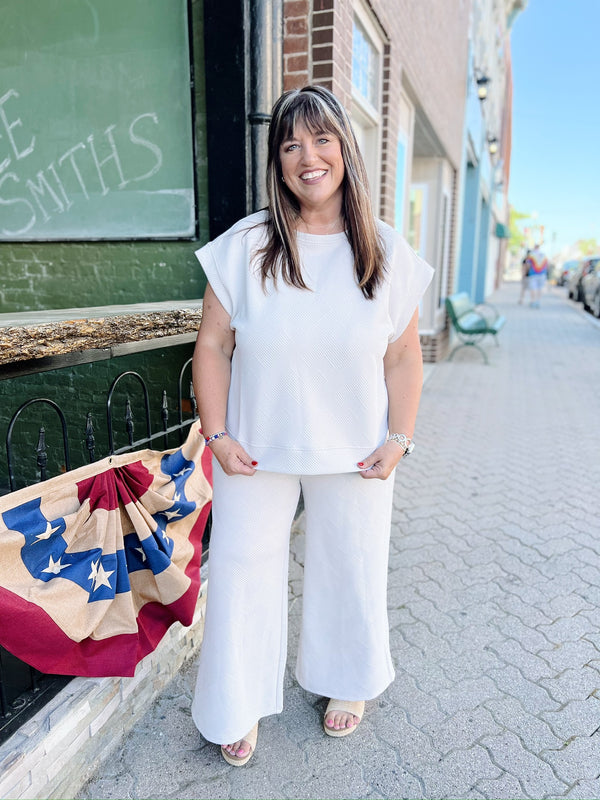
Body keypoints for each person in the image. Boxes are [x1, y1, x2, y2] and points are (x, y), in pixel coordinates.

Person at [190, 84, 433, 766]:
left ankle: (347, 681)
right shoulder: (246, 244)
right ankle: (236, 703)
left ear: (345, 150)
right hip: (253, 449)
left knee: (351, 568)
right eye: (290, 144)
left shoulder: (385, 250)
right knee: (239, 571)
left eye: (322, 138)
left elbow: (404, 356)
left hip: (357, 447)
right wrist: (216, 435)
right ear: (279, 161)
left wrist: (399, 437)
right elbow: (212, 346)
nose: (307, 156)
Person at [525, 244, 548, 308]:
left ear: (534, 247)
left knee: (533, 288)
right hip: (542, 274)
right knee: (540, 288)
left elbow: (528, 264)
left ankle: (532, 301)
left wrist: (527, 272)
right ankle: (538, 301)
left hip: (533, 274)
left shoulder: (531, 255)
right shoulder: (544, 255)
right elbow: (546, 265)